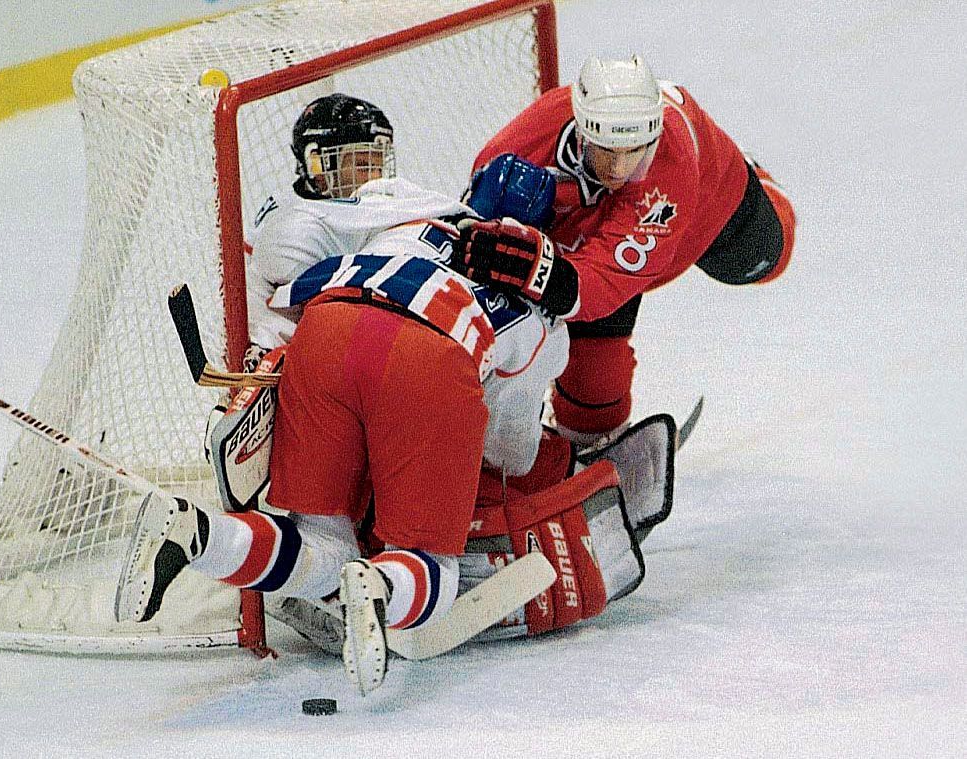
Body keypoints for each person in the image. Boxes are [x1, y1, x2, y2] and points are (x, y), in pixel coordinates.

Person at [115, 95, 571, 695]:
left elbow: (284, 304)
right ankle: (380, 586)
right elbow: (510, 451)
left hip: (325, 330)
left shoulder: (397, 218)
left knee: (320, 545)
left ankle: (198, 535)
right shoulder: (534, 313)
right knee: (435, 569)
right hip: (426, 356)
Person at [455, 54, 797, 446]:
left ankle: (754, 174)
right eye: (607, 151)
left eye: (636, 152)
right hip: (595, 241)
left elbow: (599, 283)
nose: (619, 169)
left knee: (770, 257)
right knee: (594, 388)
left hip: (706, 206)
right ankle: (589, 447)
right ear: (582, 132)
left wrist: (536, 269)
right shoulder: (519, 148)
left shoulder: (670, 165)